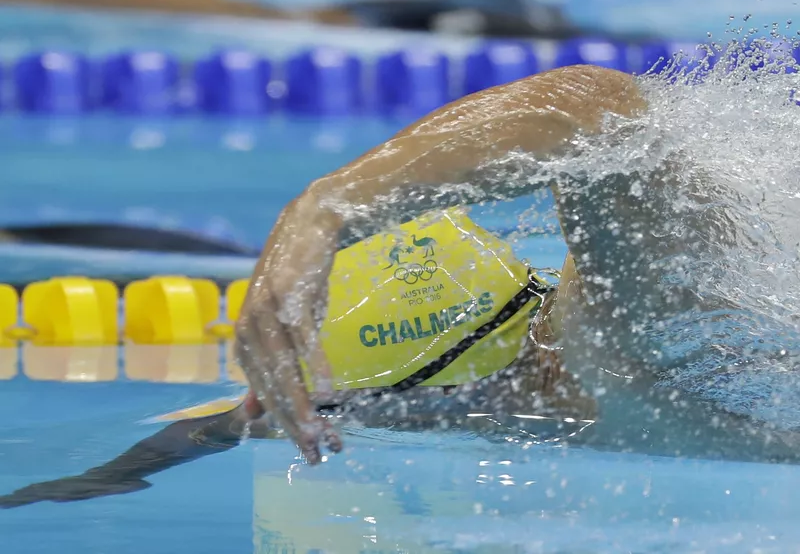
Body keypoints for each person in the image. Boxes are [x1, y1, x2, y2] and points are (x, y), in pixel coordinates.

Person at [3, 63, 797, 508]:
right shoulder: (579, 343)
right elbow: (227, 423)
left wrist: (326, 208)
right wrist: (100, 477)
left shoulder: (632, 328)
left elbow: (601, 107)